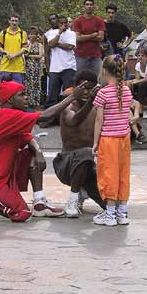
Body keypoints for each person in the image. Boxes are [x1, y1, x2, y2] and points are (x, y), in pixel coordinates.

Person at [0, 80, 90, 221]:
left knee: (31, 153)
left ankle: (39, 202)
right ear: (10, 99)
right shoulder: (5, 115)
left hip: (0, 176)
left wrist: (38, 152)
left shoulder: (11, 116)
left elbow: (28, 138)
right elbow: (45, 116)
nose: (26, 97)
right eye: (22, 95)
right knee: (22, 214)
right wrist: (72, 97)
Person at [55, 70, 107, 217]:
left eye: (90, 88)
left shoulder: (97, 110)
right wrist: (91, 101)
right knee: (85, 152)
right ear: (75, 88)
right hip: (66, 164)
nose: (86, 92)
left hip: (89, 166)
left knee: (111, 206)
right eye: (83, 87)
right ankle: (72, 200)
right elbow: (74, 120)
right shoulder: (67, 107)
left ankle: (83, 192)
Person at [92, 54, 133, 226]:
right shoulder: (127, 90)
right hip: (124, 138)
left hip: (109, 140)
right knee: (123, 174)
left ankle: (109, 213)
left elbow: (99, 120)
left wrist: (95, 142)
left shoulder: (102, 93)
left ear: (104, 71)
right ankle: (122, 213)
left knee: (109, 174)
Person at [45, 16, 77, 107]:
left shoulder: (71, 33)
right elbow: (50, 44)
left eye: (65, 23)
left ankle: (67, 113)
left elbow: (70, 47)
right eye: (61, 23)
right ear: (58, 24)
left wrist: (57, 44)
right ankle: (50, 117)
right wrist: (59, 33)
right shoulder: (51, 33)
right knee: (52, 95)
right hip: (55, 68)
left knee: (68, 93)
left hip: (69, 67)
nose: (63, 25)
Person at [72, 0, 106, 76]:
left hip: (96, 55)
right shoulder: (78, 21)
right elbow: (78, 38)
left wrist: (84, 36)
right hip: (81, 56)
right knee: (80, 79)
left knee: (100, 78)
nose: (89, 6)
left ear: (94, 7)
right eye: (87, 4)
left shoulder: (99, 21)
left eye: (91, 4)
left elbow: (101, 37)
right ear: (84, 6)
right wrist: (93, 35)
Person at [0, 13, 29, 84]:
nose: (14, 23)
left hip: (18, 68)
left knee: (18, 90)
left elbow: (25, 49)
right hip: (5, 66)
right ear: (9, 21)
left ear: (19, 22)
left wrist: (14, 55)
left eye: (16, 21)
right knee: (4, 89)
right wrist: (6, 52)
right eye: (12, 20)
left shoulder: (23, 33)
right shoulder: (3, 33)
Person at [128, 47, 147, 115]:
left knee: (142, 85)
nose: (140, 57)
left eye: (142, 55)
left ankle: (140, 107)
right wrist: (131, 82)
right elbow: (137, 79)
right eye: (139, 55)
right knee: (131, 84)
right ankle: (132, 105)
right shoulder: (137, 65)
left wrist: (136, 81)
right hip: (144, 82)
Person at [25, 26, 44, 108]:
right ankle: (28, 102)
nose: (32, 36)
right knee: (28, 84)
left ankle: (36, 103)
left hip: (36, 67)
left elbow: (40, 55)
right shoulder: (26, 44)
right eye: (31, 34)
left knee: (36, 84)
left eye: (34, 34)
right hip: (27, 67)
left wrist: (29, 55)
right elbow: (24, 53)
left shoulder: (39, 44)